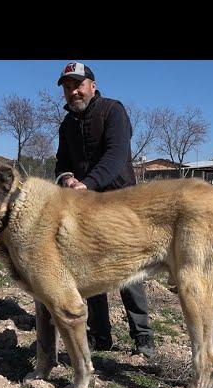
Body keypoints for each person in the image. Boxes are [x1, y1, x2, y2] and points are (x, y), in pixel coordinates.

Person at [53, 61, 155, 357]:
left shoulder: (113, 111)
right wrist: (67, 178)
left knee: (129, 271)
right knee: (90, 269)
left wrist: (88, 183)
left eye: (78, 85)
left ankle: (143, 338)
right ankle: (100, 336)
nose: (73, 92)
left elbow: (116, 154)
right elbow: (61, 161)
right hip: (84, 206)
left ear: (92, 86)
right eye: (68, 87)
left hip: (120, 203)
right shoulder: (66, 125)